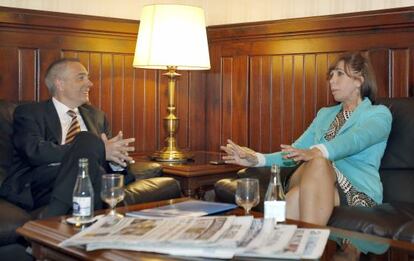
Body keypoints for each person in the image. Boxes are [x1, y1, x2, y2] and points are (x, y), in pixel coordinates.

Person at [221, 52, 392, 226]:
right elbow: (296, 151)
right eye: (331, 75)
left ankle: (301, 243)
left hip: (357, 190)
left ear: (359, 80)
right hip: (319, 182)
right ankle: (283, 246)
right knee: (302, 183)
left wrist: (316, 152)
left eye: (339, 74)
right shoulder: (325, 114)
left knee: (313, 169)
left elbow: (355, 140)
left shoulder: (379, 114)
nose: (332, 80)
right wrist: (256, 159)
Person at [0, 58, 136, 218]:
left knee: (93, 165)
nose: (90, 83)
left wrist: (115, 161)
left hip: (91, 177)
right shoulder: (30, 112)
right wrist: (97, 149)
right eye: (81, 77)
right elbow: (34, 151)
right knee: (87, 140)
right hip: (43, 183)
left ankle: (54, 213)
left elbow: (112, 163)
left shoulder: (97, 116)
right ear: (60, 84)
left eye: (88, 77)